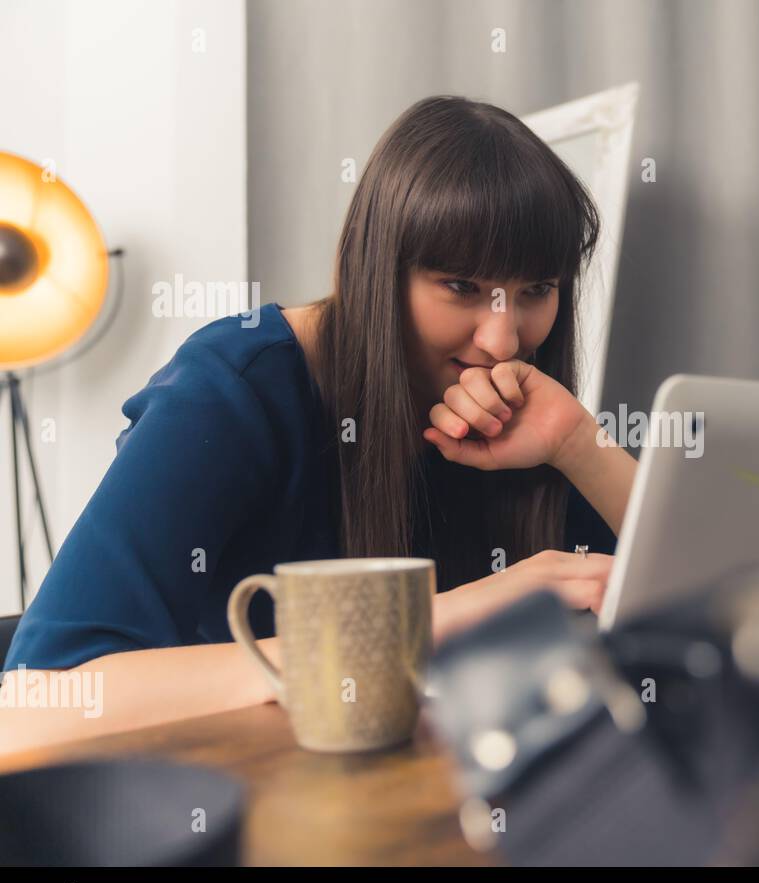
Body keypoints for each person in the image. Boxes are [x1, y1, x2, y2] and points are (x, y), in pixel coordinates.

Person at [0, 95, 637, 752]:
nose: (504, 340)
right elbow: (34, 700)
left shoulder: (531, 418)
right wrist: (443, 617)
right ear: (379, 269)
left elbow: (704, 606)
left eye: (536, 291)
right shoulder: (237, 384)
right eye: (461, 287)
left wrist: (579, 445)